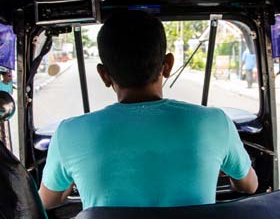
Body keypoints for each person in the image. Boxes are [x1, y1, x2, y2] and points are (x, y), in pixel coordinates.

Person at [39, 11, 258, 210]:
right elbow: (249, 186)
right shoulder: (216, 122)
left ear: (104, 75)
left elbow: (46, 202)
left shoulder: (69, 133)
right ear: (168, 65)